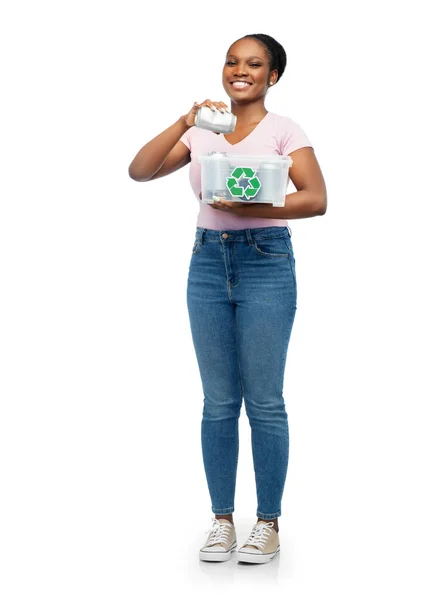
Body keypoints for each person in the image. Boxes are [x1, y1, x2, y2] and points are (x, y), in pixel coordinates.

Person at [128, 33, 327, 564]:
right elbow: (140, 170)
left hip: (266, 262)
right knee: (218, 403)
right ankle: (221, 521)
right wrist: (185, 121)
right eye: (233, 61)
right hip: (207, 265)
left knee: (265, 401)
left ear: (273, 76)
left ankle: (268, 523)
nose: (241, 70)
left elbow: (316, 198)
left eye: (255, 64)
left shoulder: (286, 130)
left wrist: (252, 210)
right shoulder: (204, 131)